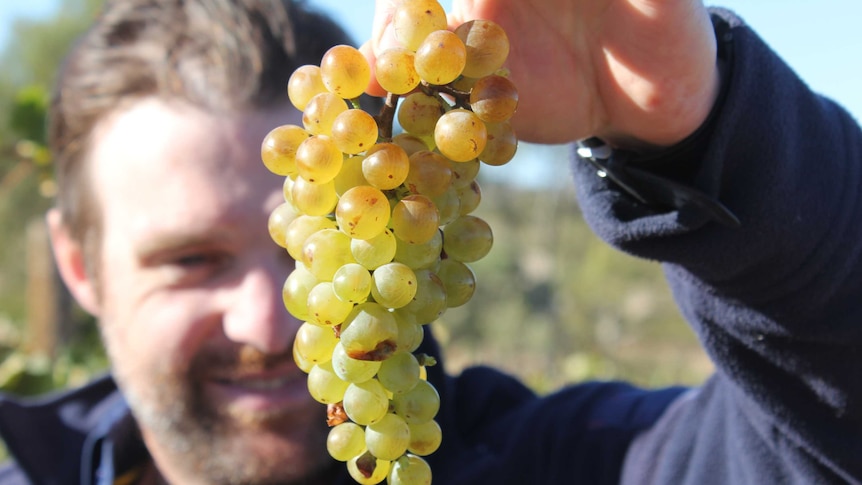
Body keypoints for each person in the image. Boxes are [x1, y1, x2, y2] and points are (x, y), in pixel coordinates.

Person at [0, 0, 858, 483]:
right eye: (192, 260)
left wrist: (702, 136)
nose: (275, 326)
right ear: (80, 267)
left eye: (308, 246)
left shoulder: (567, 465)